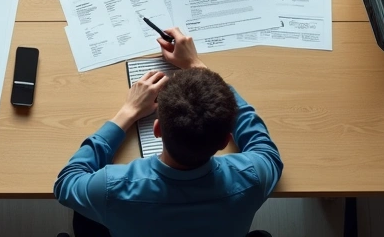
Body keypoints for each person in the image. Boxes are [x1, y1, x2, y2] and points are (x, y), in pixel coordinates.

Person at [54, 28, 282, 237]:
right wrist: (197, 66)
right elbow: (262, 145)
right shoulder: (253, 176)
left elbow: (66, 183)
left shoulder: (112, 187)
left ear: (157, 129)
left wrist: (127, 112)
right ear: (226, 140)